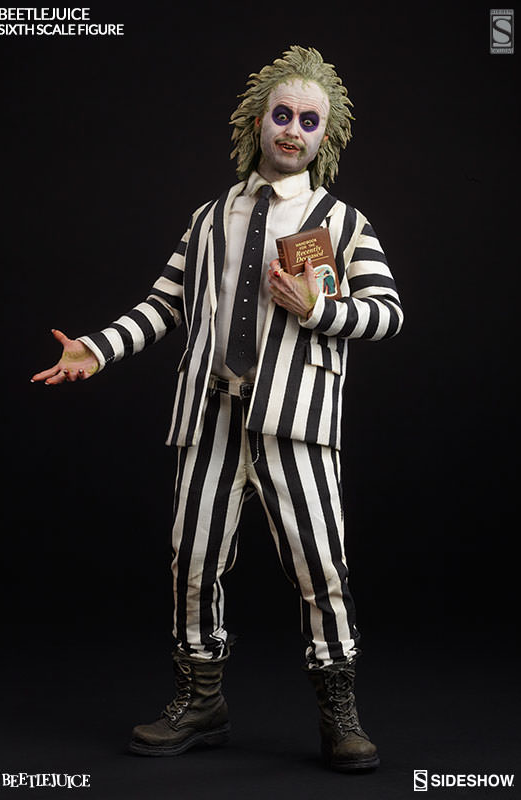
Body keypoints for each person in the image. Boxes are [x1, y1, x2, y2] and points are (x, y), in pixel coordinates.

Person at [32, 45, 403, 772]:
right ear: (256, 121)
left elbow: (387, 313)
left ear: (326, 136)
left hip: (296, 422)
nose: (292, 130)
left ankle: (340, 714)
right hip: (210, 416)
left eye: (309, 121)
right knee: (193, 560)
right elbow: (163, 304)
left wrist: (318, 308)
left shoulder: (341, 221)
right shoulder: (208, 218)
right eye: (282, 114)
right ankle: (200, 700)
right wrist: (96, 350)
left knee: (320, 566)